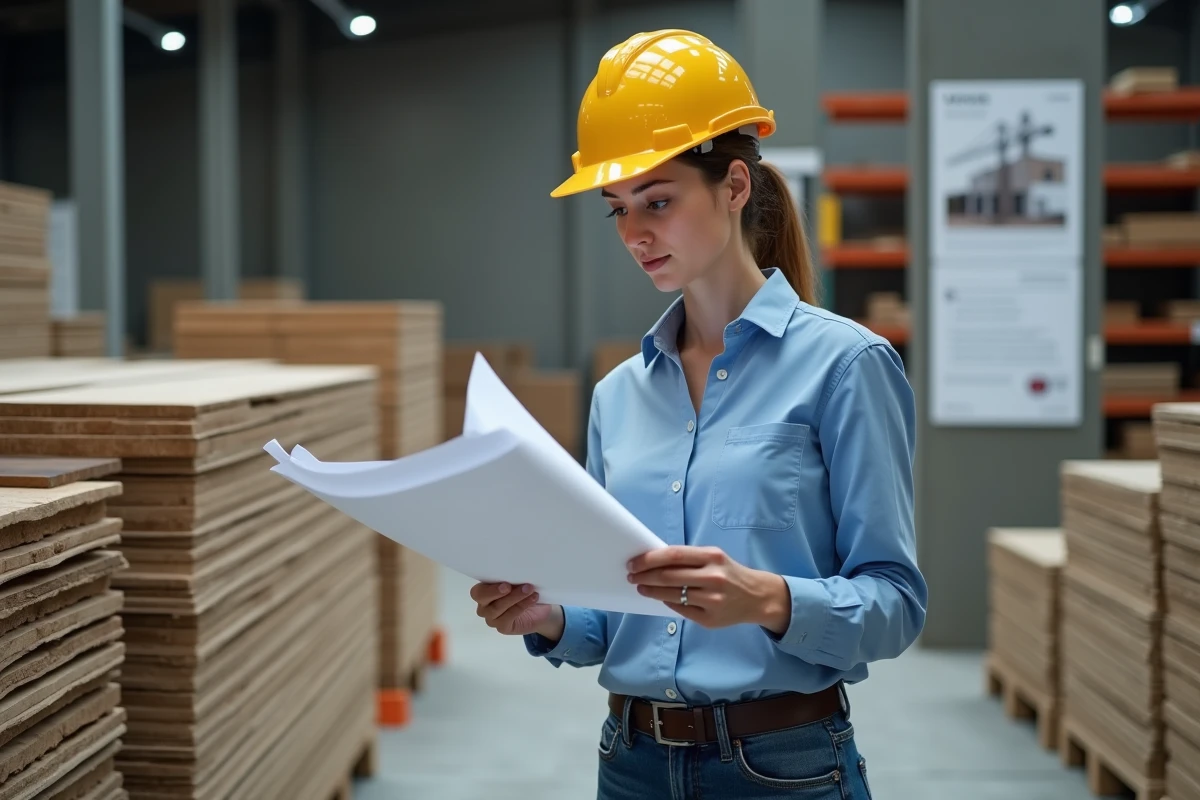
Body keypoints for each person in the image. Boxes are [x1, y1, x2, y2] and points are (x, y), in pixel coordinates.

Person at [470, 28, 927, 800]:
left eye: (657, 200)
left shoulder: (845, 366)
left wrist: (771, 600)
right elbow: (611, 619)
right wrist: (547, 616)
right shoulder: (621, 395)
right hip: (632, 762)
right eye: (616, 209)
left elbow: (896, 604)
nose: (634, 234)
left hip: (783, 767)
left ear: (735, 186)